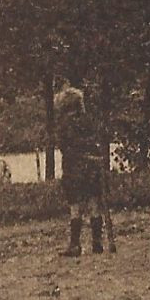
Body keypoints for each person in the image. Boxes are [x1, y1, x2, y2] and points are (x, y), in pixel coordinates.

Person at [55, 77, 108, 257]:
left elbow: (63, 146)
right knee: (94, 202)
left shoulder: (64, 125)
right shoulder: (88, 121)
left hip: (73, 167)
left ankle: (75, 244)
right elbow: (96, 140)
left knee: (75, 206)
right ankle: (97, 242)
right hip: (91, 165)